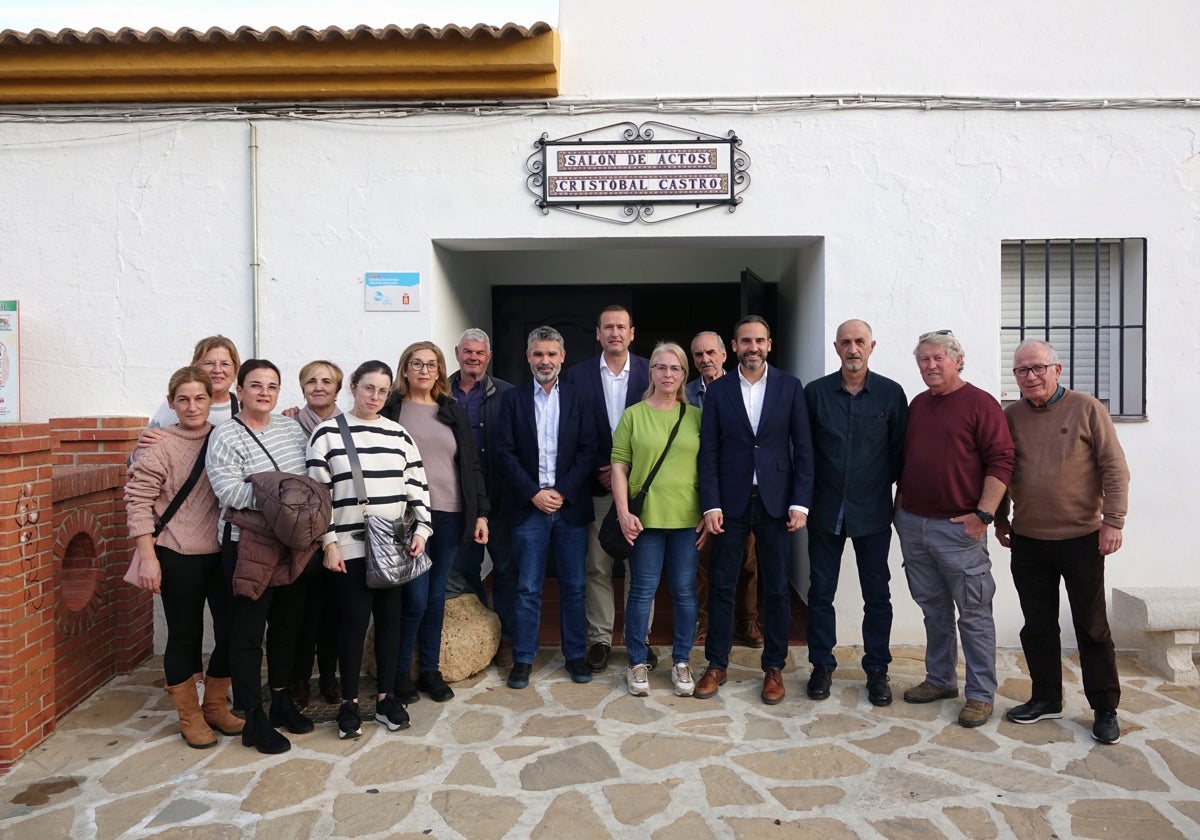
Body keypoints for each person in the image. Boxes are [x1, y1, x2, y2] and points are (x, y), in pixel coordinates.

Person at [996, 340, 1130, 744]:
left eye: (1037, 368)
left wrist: (1113, 522)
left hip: (1082, 538)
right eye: (1021, 371)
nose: (1030, 377)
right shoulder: (1011, 415)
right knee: (1037, 626)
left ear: (1058, 369)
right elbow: (1002, 468)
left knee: (1092, 627)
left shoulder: (1088, 408)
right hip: (1029, 540)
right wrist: (1001, 519)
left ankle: (1104, 707)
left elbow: (1114, 468)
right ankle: (1046, 697)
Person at [308, 361, 434, 739]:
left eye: (382, 390)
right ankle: (348, 703)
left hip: (393, 545)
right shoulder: (327, 434)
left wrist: (423, 529)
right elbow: (318, 496)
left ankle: (385, 698)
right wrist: (328, 543)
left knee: (390, 621)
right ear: (353, 387)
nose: (374, 397)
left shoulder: (399, 435)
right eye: (368, 388)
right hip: (349, 546)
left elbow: (417, 486)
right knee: (352, 624)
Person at [895, 330, 1014, 728]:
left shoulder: (981, 404)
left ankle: (980, 695)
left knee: (974, 613)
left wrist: (984, 515)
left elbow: (1002, 461)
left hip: (959, 529)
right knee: (934, 610)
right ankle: (940, 679)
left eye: (937, 359)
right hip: (913, 525)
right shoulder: (917, 405)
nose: (930, 366)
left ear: (957, 360)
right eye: (924, 360)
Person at [695, 315, 815, 705]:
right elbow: (708, 452)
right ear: (734, 346)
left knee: (777, 588)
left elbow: (804, 448)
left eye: (759, 340)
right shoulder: (719, 391)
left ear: (769, 344)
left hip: (777, 503)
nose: (753, 347)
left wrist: (800, 502)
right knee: (723, 585)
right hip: (729, 504)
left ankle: (774, 667)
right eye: (745, 341)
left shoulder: (790, 387)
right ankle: (717, 663)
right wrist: (710, 503)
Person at [124, 365, 242, 748]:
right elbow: (138, 503)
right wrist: (148, 558)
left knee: (230, 633)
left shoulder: (226, 437)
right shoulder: (158, 445)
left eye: (200, 398)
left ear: (213, 399)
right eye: (184, 399)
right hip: (177, 554)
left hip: (223, 553)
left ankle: (215, 707)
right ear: (171, 403)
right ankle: (190, 716)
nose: (192, 407)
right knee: (184, 637)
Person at [206, 359, 312, 754]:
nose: (264, 392)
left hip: (291, 543)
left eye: (271, 385)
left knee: (287, 626)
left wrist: (278, 496)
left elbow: (308, 480)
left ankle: (281, 700)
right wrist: (286, 499)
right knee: (248, 633)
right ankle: (253, 716)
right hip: (246, 544)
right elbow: (230, 493)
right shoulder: (225, 435)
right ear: (240, 390)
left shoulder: (290, 428)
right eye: (255, 385)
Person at [803, 319, 907, 706]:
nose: (853, 348)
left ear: (872, 346)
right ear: (836, 347)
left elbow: (900, 454)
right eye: (845, 342)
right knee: (820, 592)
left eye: (859, 341)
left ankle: (877, 670)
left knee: (877, 594)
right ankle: (821, 665)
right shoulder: (815, 394)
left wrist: (883, 489)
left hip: (873, 512)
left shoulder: (891, 394)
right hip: (825, 510)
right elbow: (805, 451)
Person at [382, 342, 489, 704]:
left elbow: (471, 466)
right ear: (406, 369)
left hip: (451, 513)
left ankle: (430, 671)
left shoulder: (451, 410)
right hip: (409, 517)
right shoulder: (391, 409)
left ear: (440, 370)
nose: (425, 370)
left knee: (436, 598)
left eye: (432, 364)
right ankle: (399, 675)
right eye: (417, 364)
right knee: (413, 598)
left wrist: (480, 513)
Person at [496, 325, 597, 689]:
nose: (545, 360)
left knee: (574, 586)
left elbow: (589, 450)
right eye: (538, 354)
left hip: (569, 509)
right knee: (527, 587)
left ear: (562, 357)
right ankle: (524, 657)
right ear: (528, 357)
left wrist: (563, 492)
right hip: (529, 509)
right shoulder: (513, 400)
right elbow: (504, 452)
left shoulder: (579, 398)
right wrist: (534, 493)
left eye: (551, 354)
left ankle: (574, 655)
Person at [612, 342, 704, 698]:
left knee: (683, 592)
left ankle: (681, 660)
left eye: (675, 368)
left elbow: (707, 468)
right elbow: (619, 464)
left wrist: (709, 511)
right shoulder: (633, 414)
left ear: (684, 374)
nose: (668, 374)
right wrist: (623, 512)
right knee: (642, 592)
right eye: (661, 367)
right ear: (650, 372)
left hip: (687, 519)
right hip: (644, 520)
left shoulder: (696, 416)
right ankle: (637, 660)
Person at [566, 305, 652, 673]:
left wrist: (625, 470)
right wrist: (601, 468)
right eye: (608, 327)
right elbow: (572, 430)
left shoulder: (653, 370)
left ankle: (639, 640)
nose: (615, 333)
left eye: (621, 327)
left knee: (640, 569)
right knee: (598, 567)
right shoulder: (577, 374)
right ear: (598, 334)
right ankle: (600, 639)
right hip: (598, 486)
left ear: (632, 333)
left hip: (645, 489)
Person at [687, 330, 762, 649]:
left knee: (748, 559)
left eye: (710, 353)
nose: (705, 359)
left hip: (739, 488)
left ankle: (747, 620)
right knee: (702, 560)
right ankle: (702, 620)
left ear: (724, 355)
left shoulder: (740, 389)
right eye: (699, 355)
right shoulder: (684, 393)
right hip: (695, 488)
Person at [447, 328, 516, 667]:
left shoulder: (507, 394)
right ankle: (477, 634)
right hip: (457, 501)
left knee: (505, 569)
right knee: (463, 570)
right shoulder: (438, 393)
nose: (473, 357)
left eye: (479, 353)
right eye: (467, 352)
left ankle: (505, 638)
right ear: (457, 353)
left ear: (488, 357)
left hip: (499, 499)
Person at [287, 360, 345, 707]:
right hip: (302, 534)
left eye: (327, 381)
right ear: (302, 387)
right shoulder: (289, 424)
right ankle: (299, 680)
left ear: (338, 389)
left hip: (341, 531)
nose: (319, 387)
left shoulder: (348, 426)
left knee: (334, 613)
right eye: (311, 381)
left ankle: (329, 677)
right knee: (302, 613)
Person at [148, 335, 241, 429]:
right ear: (196, 367)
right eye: (209, 363)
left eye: (225, 364)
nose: (217, 370)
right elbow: (149, 439)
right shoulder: (172, 408)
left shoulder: (244, 408)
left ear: (235, 369)